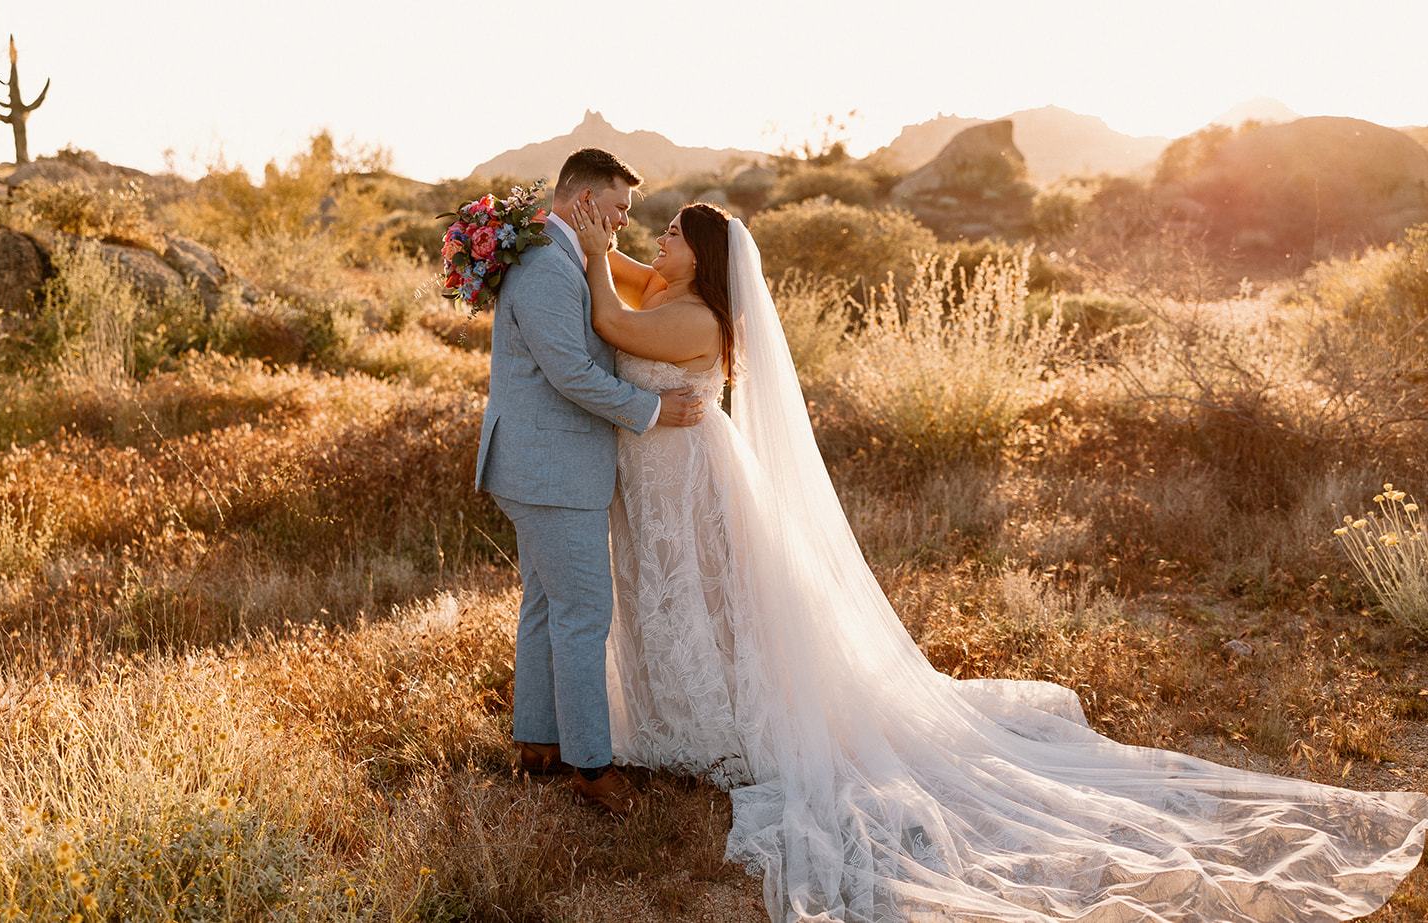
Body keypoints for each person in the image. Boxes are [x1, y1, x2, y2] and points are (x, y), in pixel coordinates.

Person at [571, 197, 1428, 923]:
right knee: (673, 601)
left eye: (672, 235)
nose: (657, 243)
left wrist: (584, 238)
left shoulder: (692, 315)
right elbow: (631, 288)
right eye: (657, 236)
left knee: (709, 602)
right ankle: (684, 719)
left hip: (692, 480)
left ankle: (721, 727)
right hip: (659, 480)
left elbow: (612, 317)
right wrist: (594, 239)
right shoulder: (670, 291)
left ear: (704, 256)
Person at [475, 147, 704, 817]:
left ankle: (540, 740)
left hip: (542, 464)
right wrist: (656, 410)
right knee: (584, 615)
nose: (628, 222)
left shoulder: (567, 254)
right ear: (583, 201)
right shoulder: (548, 266)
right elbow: (571, 374)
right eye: (621, 208)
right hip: (549, 470)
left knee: (546, 605)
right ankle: (592, 766)